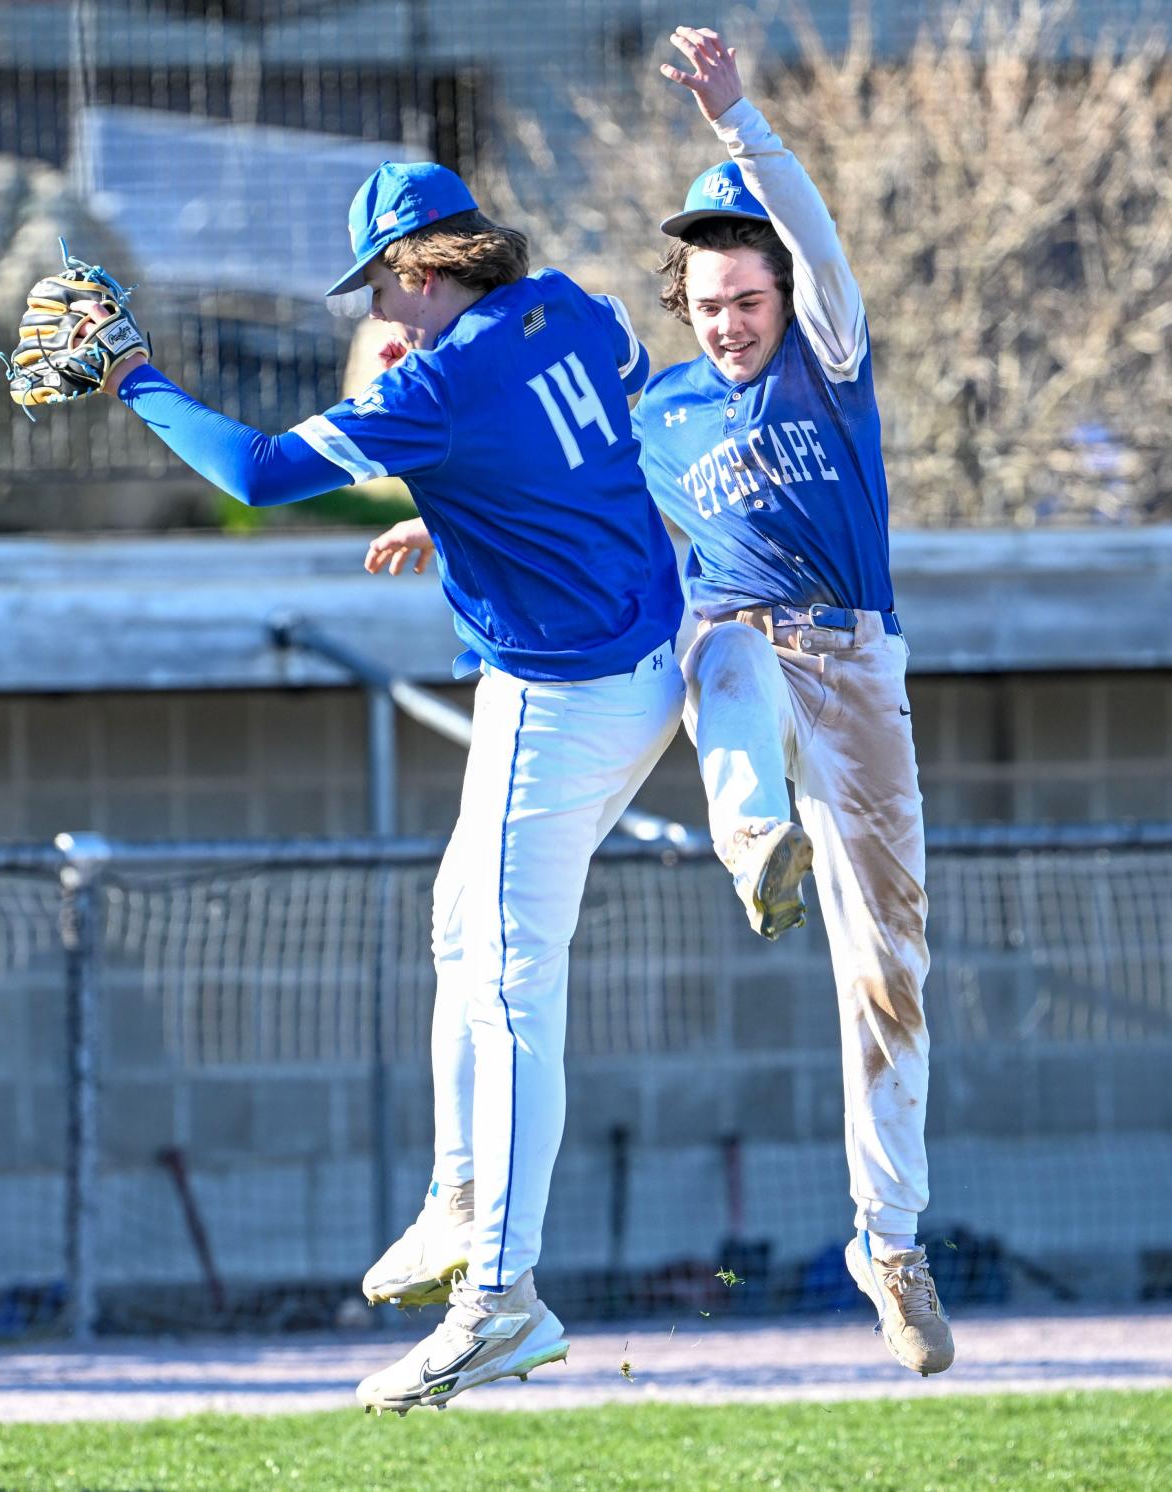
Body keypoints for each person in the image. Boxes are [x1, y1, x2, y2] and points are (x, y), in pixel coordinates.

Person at [368, 26, 955, 1378]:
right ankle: (753, 842)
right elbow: (560, 497)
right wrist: (439, 525)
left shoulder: (826, 361)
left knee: (889, 971)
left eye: (748, 296)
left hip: (851, 663)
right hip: (720, 647)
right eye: (707, 302)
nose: (728, 320)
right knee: (718, 650)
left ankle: (890, 1241)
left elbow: (804, 233)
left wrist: (741, 125)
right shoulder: (662, 410)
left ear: (780, 296)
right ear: (681, 309)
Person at [87, 159, 687, 1411]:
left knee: (513, 984)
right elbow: (615, 410)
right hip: (640, 654)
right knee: (457, 930)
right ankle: (460, 1203)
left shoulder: (445, 378)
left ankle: (501, 1295)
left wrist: (133, 375)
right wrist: (464, 509)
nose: (377, 315)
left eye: (380, 289)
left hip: (560, 692)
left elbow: (255, 473)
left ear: (424, 268)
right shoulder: (570, 307)